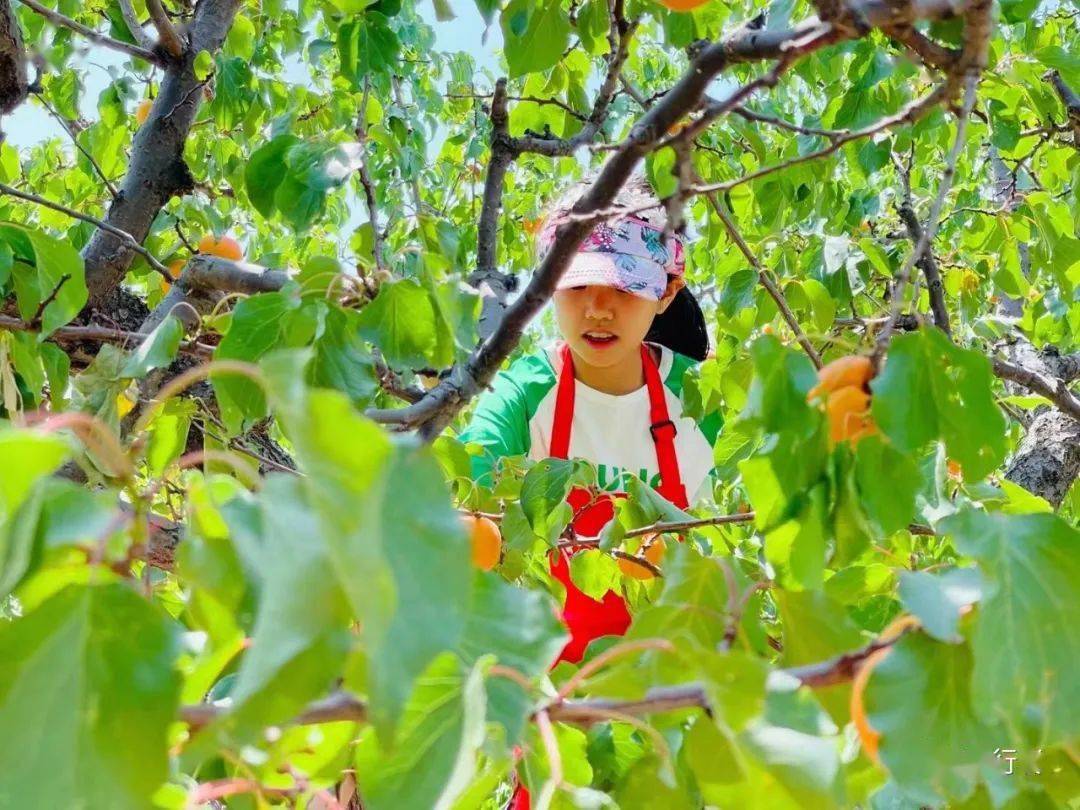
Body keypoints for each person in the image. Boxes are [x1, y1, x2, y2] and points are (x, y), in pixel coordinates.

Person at [457, 176, 723, 810]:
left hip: (666, 686)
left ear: (666, 292)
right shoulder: (524, 394)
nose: (598, 309)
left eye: (624, 288)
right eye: (578, 286)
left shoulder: (707, 404)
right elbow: (466, 480)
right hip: (550, 697)